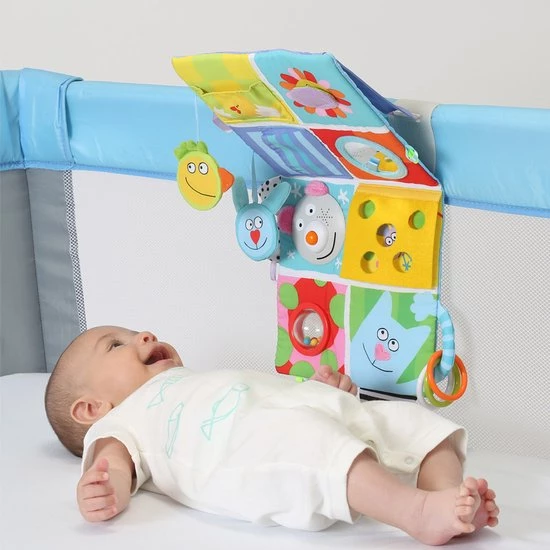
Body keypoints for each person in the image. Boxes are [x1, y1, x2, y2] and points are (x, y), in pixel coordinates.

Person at [45, 325, 499, 546]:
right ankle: (415, 511)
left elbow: (264, 395)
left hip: (293, 410)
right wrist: (102, 488)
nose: (143, 335)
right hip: (245, 448)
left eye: (133, 333)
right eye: (116, 345)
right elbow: (113, 464)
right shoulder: (121, 420)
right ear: (91, 408)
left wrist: (322, 394)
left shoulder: (189, 380)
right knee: (315, 447)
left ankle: (445, 495)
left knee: (414, 424)